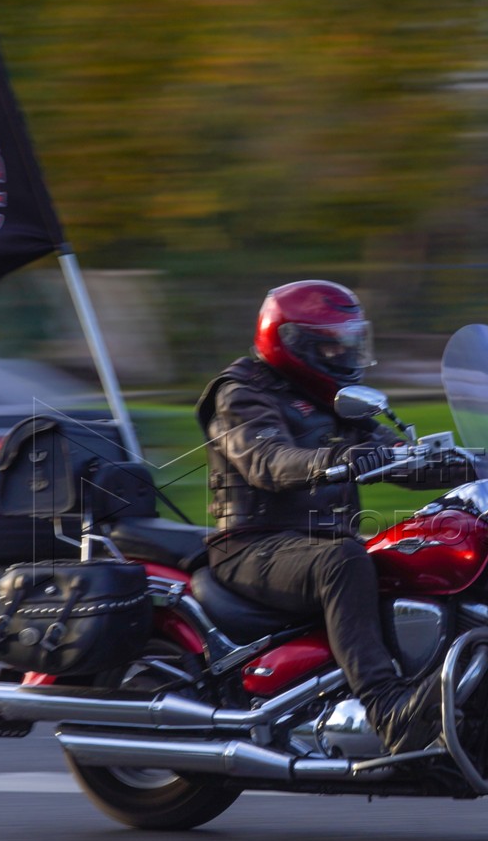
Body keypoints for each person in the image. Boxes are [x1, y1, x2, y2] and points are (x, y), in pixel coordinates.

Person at [197, 279, 472, 754]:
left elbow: (394, 453)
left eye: (349, 342)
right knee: (344, 560)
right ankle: (388, 709)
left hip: (315, 543)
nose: (343, 354)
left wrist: (487, 461)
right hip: (252, 546)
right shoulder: (239, 394)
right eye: (330, 344)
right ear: (292, 344)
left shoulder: (336, 398)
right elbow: (267, 461)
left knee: (425, 546)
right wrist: (333, 460)